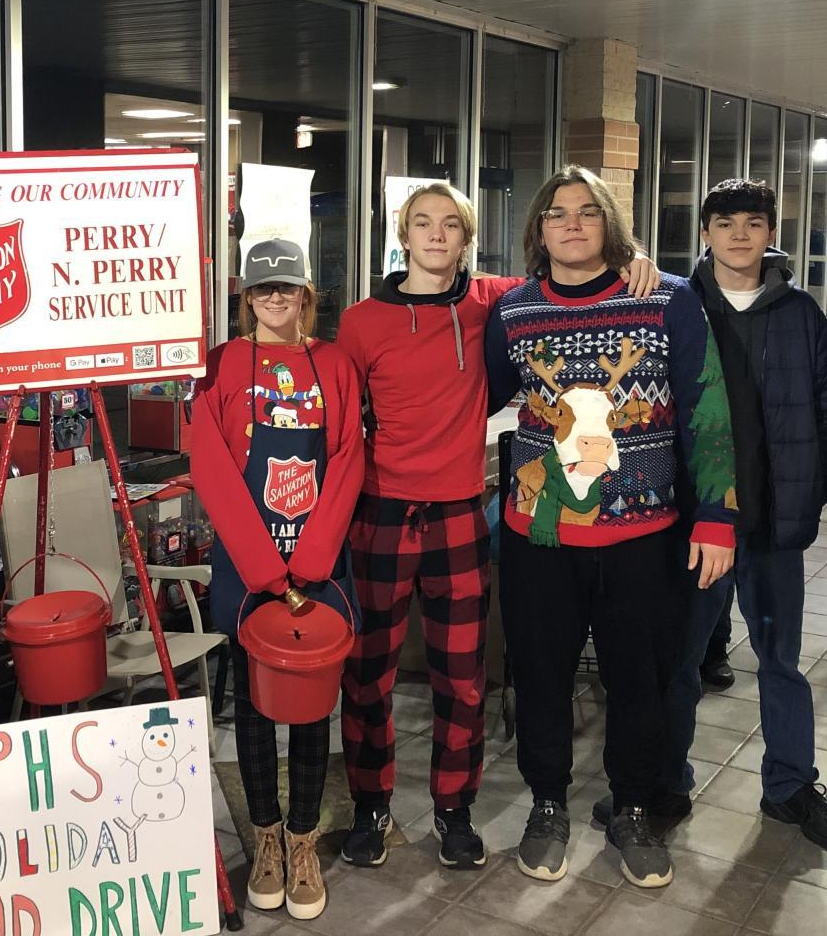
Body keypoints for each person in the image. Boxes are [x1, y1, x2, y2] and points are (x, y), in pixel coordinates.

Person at [333, 182, 660, 869]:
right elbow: (342, 421)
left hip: (458, 513)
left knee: (462, 679)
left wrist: (635, 261)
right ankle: (370, 806)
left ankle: (455, 810)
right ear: (403, 234)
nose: (436, 234)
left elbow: (573, 276)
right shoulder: (361, 322)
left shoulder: (496, 303)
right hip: (381, 514)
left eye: (451, 224)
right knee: (367, 676)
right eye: (423, 223)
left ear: (467, 237)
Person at [484, 165, 737, 889]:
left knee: (641, 683)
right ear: (538, 230)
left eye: (587, 212)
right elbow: (475, 387)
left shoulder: (668, 299)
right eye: (556, 213)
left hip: (643, 538)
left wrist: (718, 517)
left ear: (610, 225)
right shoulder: (512, 312)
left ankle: (632, 808)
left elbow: (707, 408)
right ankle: (546, 806)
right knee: (541, 679)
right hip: (541, 538)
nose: (572, 224)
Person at [593, 179, 827, 848]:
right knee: (681, 660)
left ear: (770, 232)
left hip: (774, 521)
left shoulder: (802, 314)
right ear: (705, 232)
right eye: (725, 223)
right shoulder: (675, 303)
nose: (739, 235)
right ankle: (668, 780)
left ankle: (790, 785)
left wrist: (810, 492)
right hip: (696, 520)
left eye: (753, 222)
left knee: (781, 661)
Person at [192, 239, 363, 920]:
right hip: (248, 563)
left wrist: (312, 556)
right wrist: (263, 566)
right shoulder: (221, 366)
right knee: (256, 706)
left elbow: (348, 458)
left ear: (305, 294)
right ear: (247, 298)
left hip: (319, 560)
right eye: (263, 288)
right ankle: (266, 838)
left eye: (286, 287)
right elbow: (210, 465)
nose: (274, 298)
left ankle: (302, 842)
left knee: (314, 705)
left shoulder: (336, 365)